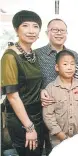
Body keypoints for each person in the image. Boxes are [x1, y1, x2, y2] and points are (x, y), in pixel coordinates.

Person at [1, 10, 44, 156]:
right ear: (16, 30)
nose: (31, 31)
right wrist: (29, 128)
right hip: (21, 119)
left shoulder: (34, 54)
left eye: (35, 26)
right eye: (25, 25)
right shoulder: (10, 56)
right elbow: (12, 96)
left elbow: (35, 83)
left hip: (37, 114)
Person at [34, 18, 78, 155]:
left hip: (69, 111)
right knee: (50, 149)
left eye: (62, 30)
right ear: (47, 32)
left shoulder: (74, 55)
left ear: (67, 33)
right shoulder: (37, 54)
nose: (59, 33)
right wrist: (41, 90)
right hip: (45, 110)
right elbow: (30, 82)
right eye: (55, 30)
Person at [43, 50, 78, 147]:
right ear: (57, 67)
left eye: (72, 64)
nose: (69, 67)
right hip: (58, 140)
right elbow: (48, 116)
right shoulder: (51, 89)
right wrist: (63, 137)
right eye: (65, 64)